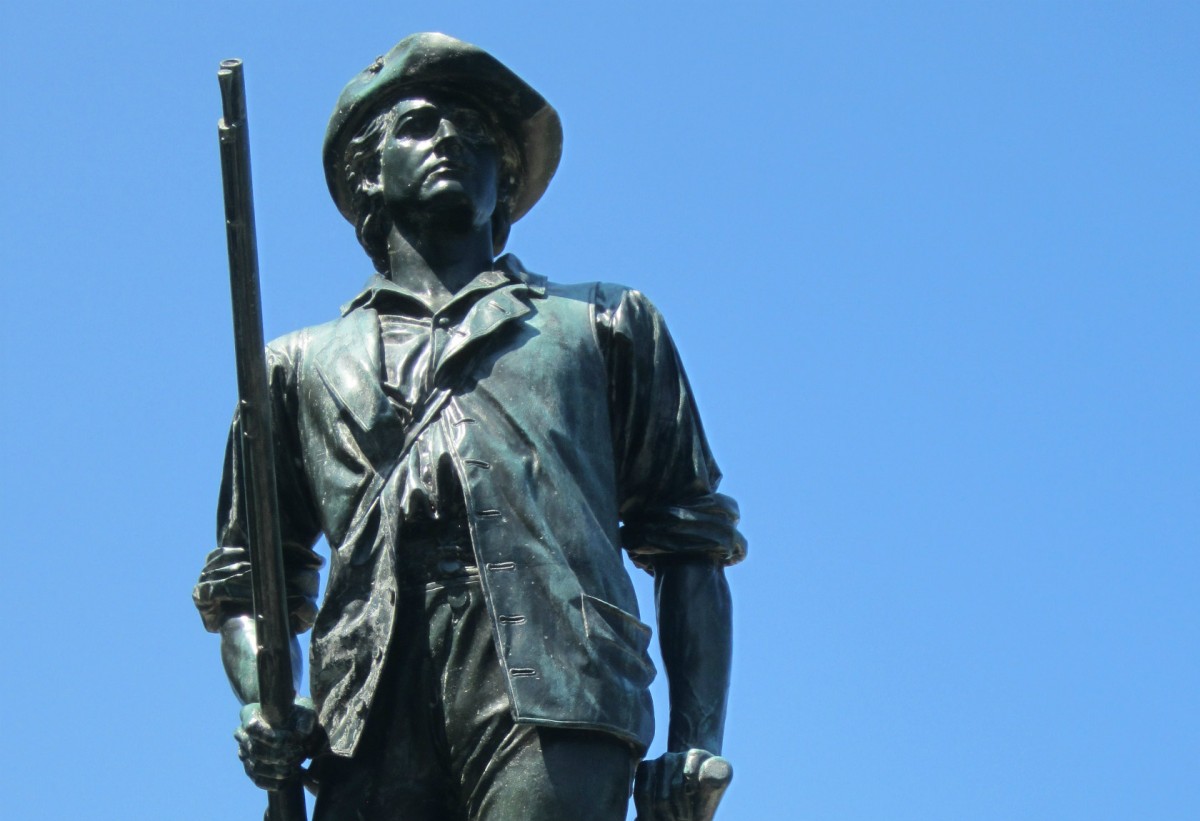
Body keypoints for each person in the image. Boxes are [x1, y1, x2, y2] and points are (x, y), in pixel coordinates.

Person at [194, 32, 746, 821]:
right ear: (366, 177)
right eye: (421, 124)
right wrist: (260, 702)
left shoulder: (602, 323)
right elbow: (251, 578)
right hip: (365, 709)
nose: (453, 138)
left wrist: (697, 737)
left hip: (561, 687)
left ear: (509, 180)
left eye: (476, 130)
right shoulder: (293, 366)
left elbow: (688, 536)